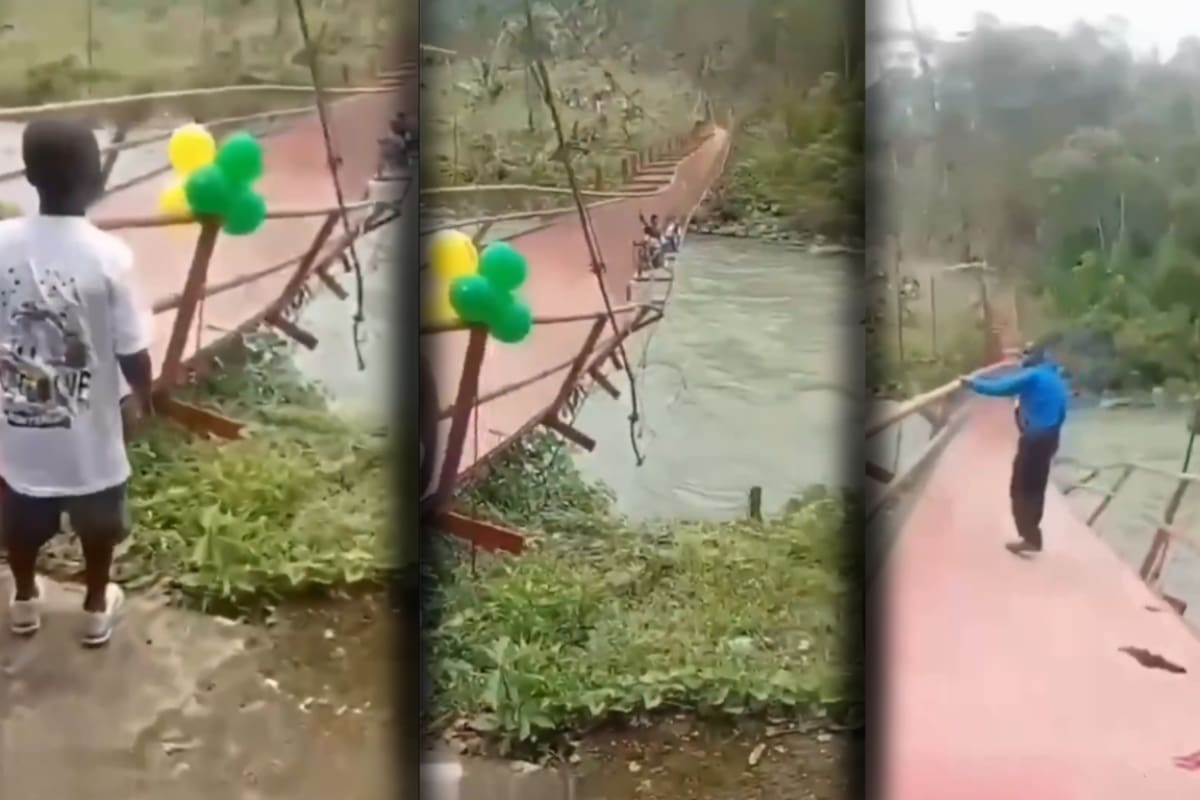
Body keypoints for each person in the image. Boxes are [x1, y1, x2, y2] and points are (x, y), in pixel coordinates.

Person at [0, 118, 153, 647]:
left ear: (31, 176)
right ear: (93, 177)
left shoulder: (1, 244)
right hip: (90, 432)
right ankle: (93, 606)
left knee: (20, 514)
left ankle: (22, 598)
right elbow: (133, 350)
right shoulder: (110, 256)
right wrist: (145, 397)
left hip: (19, 427)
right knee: (99, 520)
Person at [960, 343, 1069, 555]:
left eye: (1024, 356)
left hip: (1034, 438)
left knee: (1020, 487)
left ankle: (1028, 537)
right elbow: (1062, 412)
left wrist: (973, 384)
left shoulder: (1033, 376)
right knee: (1036, 486)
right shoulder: (1056, 379)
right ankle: (1033, 536)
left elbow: (1001, 387)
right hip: (1050, 436)